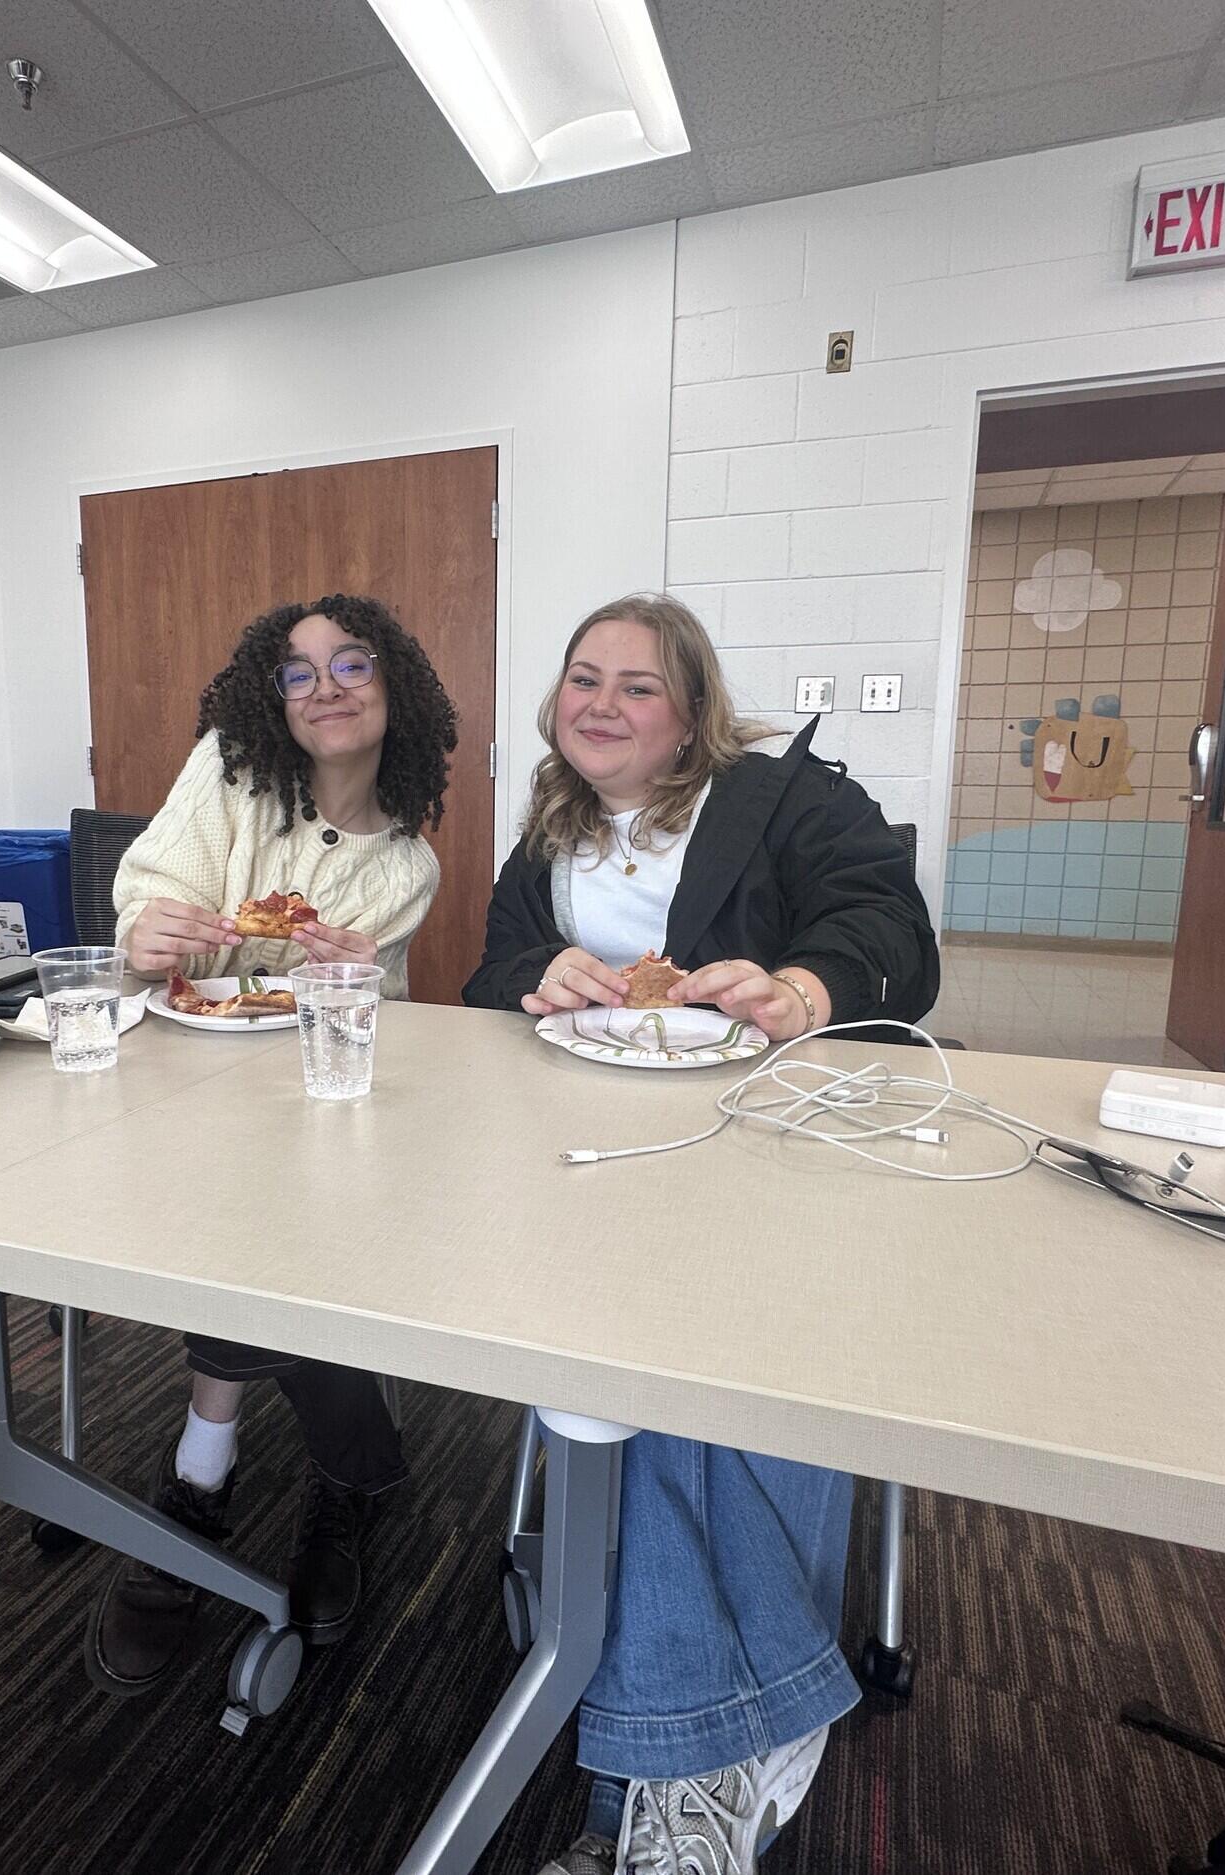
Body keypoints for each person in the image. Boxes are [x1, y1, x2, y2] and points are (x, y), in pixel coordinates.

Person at [463, 593, 937, 1875]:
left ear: (692, 717)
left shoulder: (786, 800)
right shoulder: (547, 833)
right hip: (589, 1166)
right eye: (581, 679)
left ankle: (652, 1793)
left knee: (679, 1378)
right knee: (639, 1366)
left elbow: (893, 933)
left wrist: (801, 988)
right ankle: (743, 1737)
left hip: (763, 1156)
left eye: (637, 687)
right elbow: (488, 970)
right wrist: (531, 975)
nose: (599, 705)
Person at [94, 593, 457, 1693]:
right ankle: (354, 1468)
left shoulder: (407, 869)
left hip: (314, 1110)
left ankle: (203, 1472)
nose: (326, 687)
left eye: (351, 664)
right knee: (245, 1213)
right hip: (180, 1083)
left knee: (279, 1215)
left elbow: (358, 1022)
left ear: (394, 690)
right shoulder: (226, 770)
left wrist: (350, 971)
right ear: (273, 699)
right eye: (297, 673)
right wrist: (145, 930)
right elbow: (153, 903)